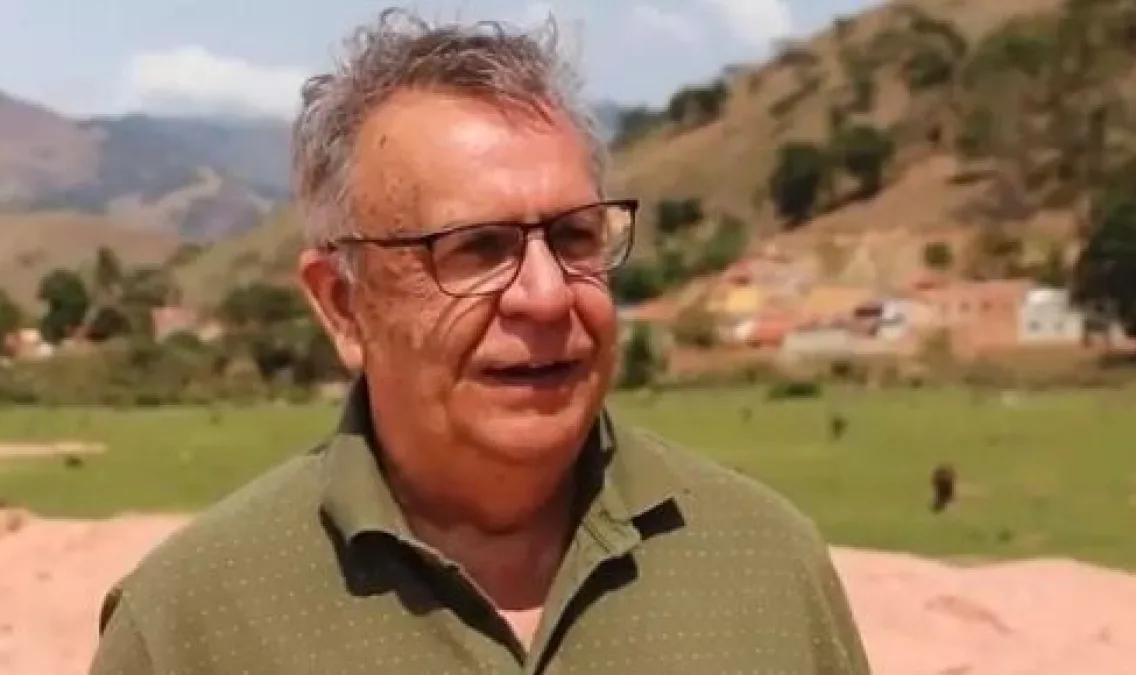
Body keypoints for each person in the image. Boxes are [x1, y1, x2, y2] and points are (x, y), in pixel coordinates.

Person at [88, 8, 871, 674]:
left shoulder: (765, 564)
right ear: (344, 306)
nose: (547, 294)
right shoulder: (191, 625)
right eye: (477, 248)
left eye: (575, 235)